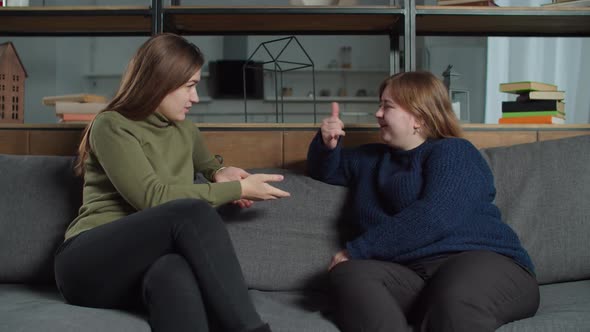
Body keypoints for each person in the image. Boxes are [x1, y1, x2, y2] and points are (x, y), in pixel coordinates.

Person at [54, 33, 290, 332]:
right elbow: (152, 197)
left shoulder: (185, 130)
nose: (196, 97)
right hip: (87, 264)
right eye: (189, 86)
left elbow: (210, 167)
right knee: (191, 212)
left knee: (173, 271)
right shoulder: (112, 124)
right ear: (159, 82)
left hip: (138, 271)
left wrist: (221, 172)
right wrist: (238, 189)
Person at [307, 71, 539, 332]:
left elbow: (436, 215)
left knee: (454, 301)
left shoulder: (454, 152)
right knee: (348, 274)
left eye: (387, 106)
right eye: (379, 105)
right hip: (414, 276)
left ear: (418, 116)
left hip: (479, 261)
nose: (378, 114)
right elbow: (324, 170)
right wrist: (327, 143)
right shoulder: (369, 159)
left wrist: (358, 250)